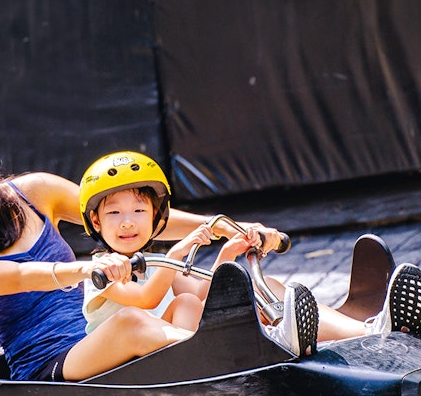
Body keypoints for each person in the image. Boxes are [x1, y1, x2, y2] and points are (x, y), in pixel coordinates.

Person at [0, 102, 299, 383]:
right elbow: (23, 276)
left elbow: (129, 219)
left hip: (97, 333)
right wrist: (86, 268)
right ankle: (249, 360)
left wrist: (227, 227)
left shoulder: (35, 192)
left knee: (191, 292)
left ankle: (331, 332)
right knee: (132, 322)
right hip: (52, 365)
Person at [77, 150, 315, 356]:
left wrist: (227, 254)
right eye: (114, 213)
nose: (127, 222)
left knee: (194, 302)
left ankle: (271, 339)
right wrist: (176, 253)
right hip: (121, 363)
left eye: (139, 210)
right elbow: (145, 299)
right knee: (185, 303)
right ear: (96, 221)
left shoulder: (155, 263)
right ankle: (214, 354)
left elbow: (203, 294)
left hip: (157, 355)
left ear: (155, 216)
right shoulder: (101, 269)